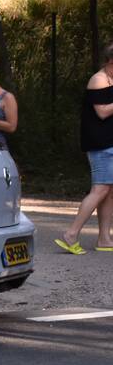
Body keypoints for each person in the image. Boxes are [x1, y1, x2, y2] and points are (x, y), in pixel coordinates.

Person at [55, 42, 113, 254]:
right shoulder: (98, 80)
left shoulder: (110, 78)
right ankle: (71, 234)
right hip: (100, 144)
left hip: (109, 143)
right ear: (109, 61)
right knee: (100, 189)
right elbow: (103, 112)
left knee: (109, 192)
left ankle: (105, 239)